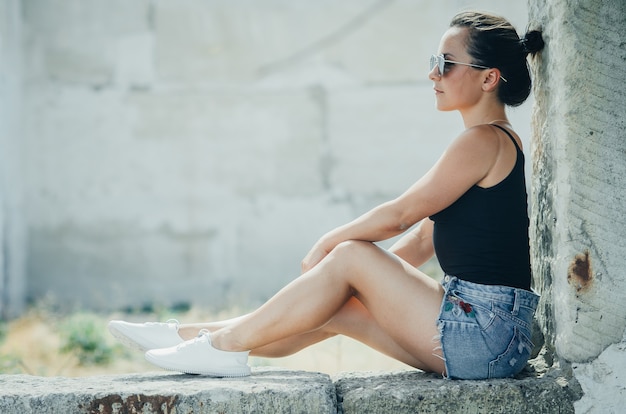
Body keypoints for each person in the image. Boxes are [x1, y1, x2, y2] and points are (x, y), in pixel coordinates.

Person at [108, 11, 545, 380]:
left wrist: (330, 247)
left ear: (489, 78)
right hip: (486, 336)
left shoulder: (482, 142)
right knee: (333, 307)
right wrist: (355, 286)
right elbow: (416, 243)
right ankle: (195, 339)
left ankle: (219, 345)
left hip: (486, 333)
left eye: (445, 63)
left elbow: (401, 215)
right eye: (434, 60)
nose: (432, 73)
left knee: (352, 255)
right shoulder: (488, 144)